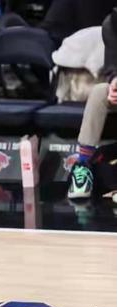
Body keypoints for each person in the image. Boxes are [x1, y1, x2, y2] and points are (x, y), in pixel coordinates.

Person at [68, 8, 117, 199]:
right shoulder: (112, 24)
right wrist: (114, 82)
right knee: (99, 92)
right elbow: (112, 65)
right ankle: (83, 166)